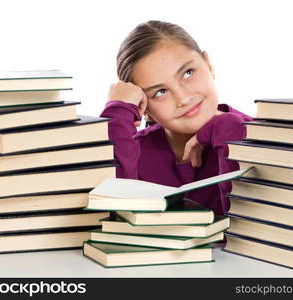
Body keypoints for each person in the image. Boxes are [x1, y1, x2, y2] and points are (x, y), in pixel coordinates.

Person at [100, 20, 252, 215]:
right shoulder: (132, 151)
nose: (183, 98)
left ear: (209, 64)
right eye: (160, 92)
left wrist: (227, 129)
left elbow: (248, 227)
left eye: (188, 73)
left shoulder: (256, 137)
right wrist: (118, 112)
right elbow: (108, 217)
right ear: (144, 106)